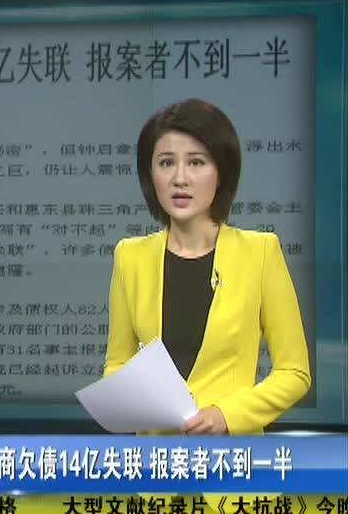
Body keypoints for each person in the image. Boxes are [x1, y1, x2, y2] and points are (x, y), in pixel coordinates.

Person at [103, 98, 311, 435]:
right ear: (150, 175)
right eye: (166, 163)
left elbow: (294, 373)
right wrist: (140, 400)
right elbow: (117, 365)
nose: (180, 178)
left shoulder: (260, 253)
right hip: (158, 460)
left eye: (196, 162)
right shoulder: (130, 258)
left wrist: (227, 415)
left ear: (221, 173)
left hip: (233, 459)